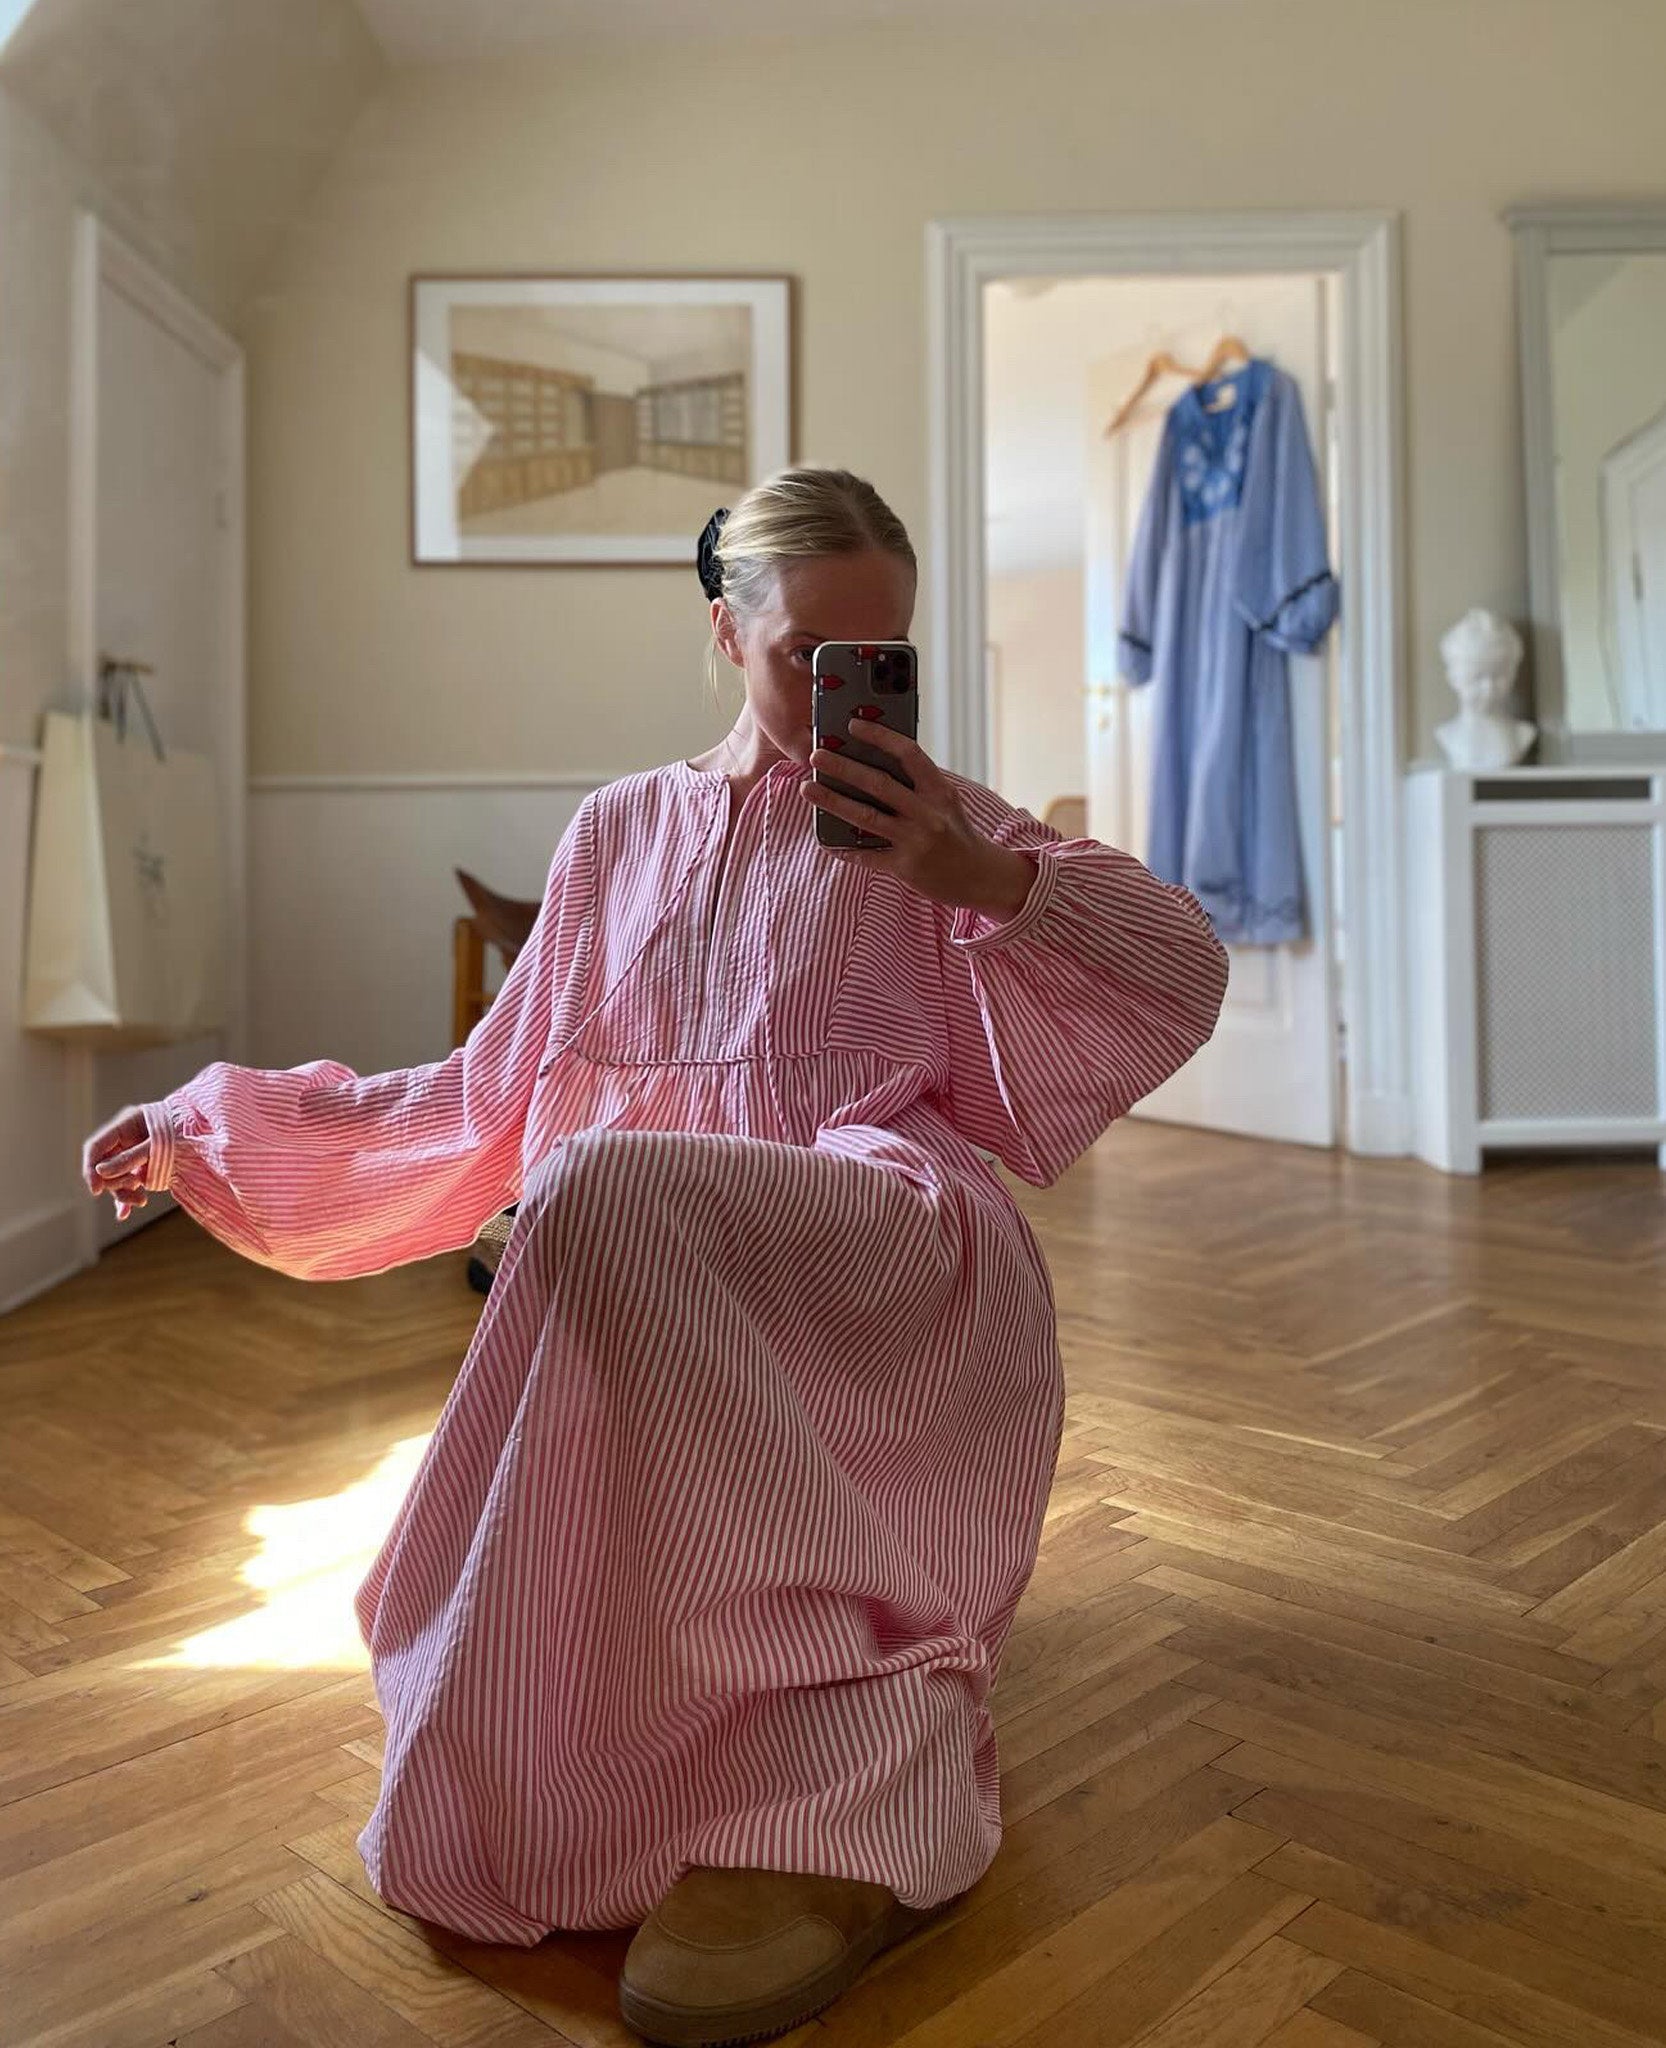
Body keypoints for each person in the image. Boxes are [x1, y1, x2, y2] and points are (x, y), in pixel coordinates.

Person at [82, 466, 1229, 2047]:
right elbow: (482, 1099)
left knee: (598, 1187)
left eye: (880, 657)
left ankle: (831, 1777)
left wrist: (972, 877)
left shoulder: (936, 821)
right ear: (725, 632)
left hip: (875, 1243)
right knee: (590, 1188)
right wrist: (210, 1125)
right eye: (809, 655)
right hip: (641, 1249)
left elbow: (1176, 965)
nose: (843, 693)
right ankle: (644, 1769)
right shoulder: (617, 831)